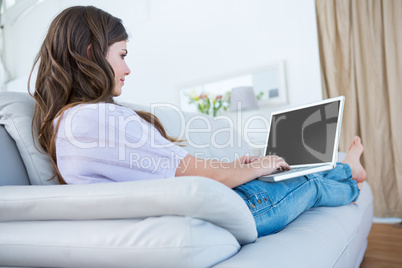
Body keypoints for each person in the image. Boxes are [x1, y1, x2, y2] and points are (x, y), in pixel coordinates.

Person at [30, 6, 367, 237]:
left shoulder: (67, 123)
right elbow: (189, 175)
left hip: (202, 205)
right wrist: (252, 167)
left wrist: (237, 166)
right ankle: (350, 172)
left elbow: (165, 171)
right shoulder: (94, 118)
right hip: (221, 212)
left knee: (294, 169)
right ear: (91, 54)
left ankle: (344, 166)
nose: (128, 69)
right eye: (122, 56)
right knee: (309, 182)